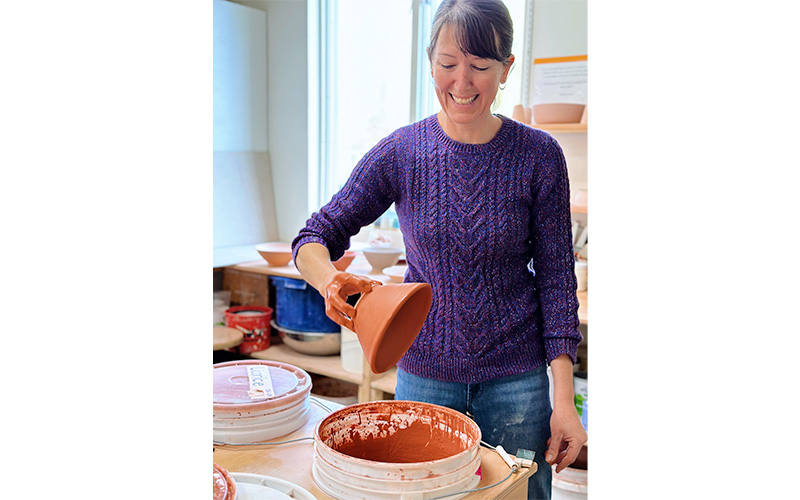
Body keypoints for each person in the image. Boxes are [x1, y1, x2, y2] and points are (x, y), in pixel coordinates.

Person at [292, 1, 586, 497]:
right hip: (426, 375)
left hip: (518, 380)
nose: (462, 82)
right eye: (448, 64)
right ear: (430, 61)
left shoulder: (539, 157)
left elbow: (557, 281)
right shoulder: (402, 152)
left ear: (507, 68)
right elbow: (314, 237)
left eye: (480, 65)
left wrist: (564, 399)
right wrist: (328, 279)